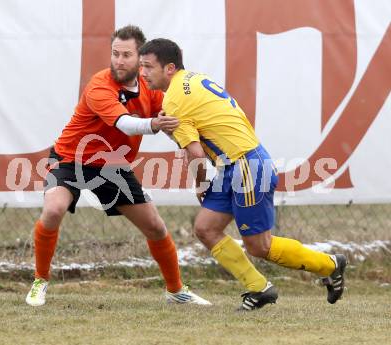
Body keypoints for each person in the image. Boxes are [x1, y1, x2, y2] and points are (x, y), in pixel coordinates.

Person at [139, 38, 347, 311]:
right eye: (141, 66)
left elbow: (196, 154)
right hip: (233, 166)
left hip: (247, 166)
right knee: (206, 228)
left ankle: (330, 265)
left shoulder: (176, 99)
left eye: (147, 67)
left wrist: (200, 185)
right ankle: (259, 288)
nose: (142, 73)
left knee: (259, 246)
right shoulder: (192, 79)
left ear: (168, 68)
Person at [25, 26, 211, 307]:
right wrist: (155, 125)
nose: (119, 61)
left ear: (141, 58)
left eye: (127, 55)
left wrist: (189, 143)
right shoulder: (100, 84)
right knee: (53, 210)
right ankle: (40, 280)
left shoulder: (150, 89)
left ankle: (176, 291)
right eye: (115, 54)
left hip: (112, 167)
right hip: (70, 159)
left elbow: (172, 122)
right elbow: (125, 123)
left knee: (155, 227)